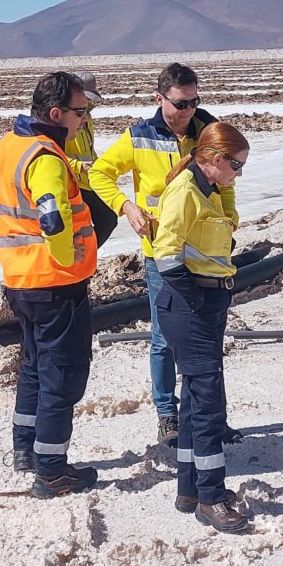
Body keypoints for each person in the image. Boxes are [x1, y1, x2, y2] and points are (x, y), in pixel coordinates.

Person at [89, 63, 242, 445]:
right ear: (160, 99)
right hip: (162, 251)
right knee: (164, 337)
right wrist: (126, 206)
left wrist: (230, 219)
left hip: (207, 252)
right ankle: (167, 415)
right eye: (180, 103)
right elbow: (100, 173)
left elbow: (225, 181)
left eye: (194, 102)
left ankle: (212, 416)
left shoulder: (207, 129)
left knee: (208, 338)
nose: (188, 110)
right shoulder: (140, 136)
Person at [0, 71, 99, 498]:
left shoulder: (3, 147)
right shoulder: (44, 156)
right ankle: (51, 470)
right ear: (57, 112)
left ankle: (25, 450)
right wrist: (68, 259)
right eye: (81, 112)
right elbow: (52, 217)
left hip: (19, 280)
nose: (84, 119)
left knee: (33, 367)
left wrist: (3, 243)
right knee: (61, 376)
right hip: (55, 285)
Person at [153, 121, 250, 533]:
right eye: (236, 165)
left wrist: (225, 187)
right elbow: (166, 253)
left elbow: (228, 225)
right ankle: (211, 497)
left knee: (194, 397)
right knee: (207, 401)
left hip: (207, 300)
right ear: (214, 159)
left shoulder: (209, 190)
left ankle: (189, 488)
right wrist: (193, 300)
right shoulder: (185, 192)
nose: (239, 174)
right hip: (188, 303)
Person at [65, 71, 119, 248]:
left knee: (108, 219)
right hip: (72, 184)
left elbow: (88, 151)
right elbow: (53, 154)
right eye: (83, 108)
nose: (87, 112)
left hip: (87, 182)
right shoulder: (66, 121)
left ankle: (87, 258)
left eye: (90, 107)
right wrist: (79, 166)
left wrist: (99, 166)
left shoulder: (86, 120)